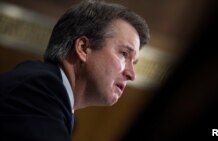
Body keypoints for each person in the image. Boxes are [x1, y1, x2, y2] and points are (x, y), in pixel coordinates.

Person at [0, 0, 150, 141]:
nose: (132, 75)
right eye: (124, 54)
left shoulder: (56, 104)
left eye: (134, 63)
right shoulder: (37, 90)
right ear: (83, 48)